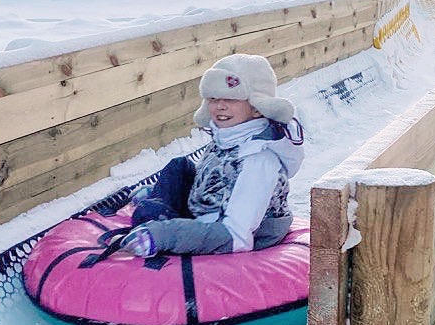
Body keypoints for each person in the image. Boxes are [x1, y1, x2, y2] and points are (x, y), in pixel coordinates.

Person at [114, 54, 305, 258]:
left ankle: (154, 219)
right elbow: (220, 181)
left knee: (149, 215)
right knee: (178, 168)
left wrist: (165, 235)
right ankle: (157, 204)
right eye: (213, 98)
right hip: (212, 210)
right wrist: (160, 191)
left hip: (236, 231)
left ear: (257, 108)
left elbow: (237, 237)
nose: (219, 106)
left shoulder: (258, 159)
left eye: (231, 99)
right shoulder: (229, 136)